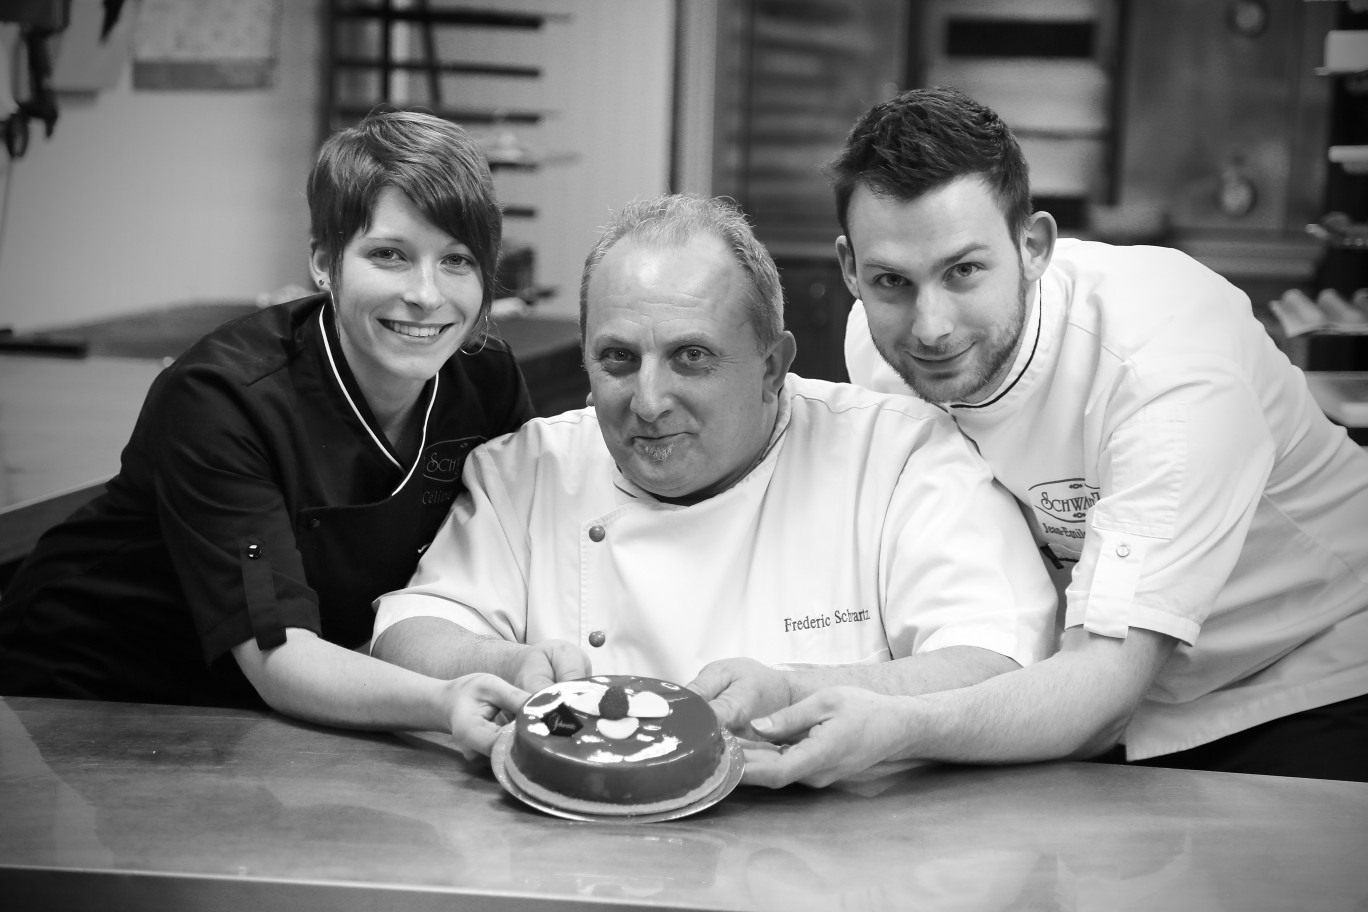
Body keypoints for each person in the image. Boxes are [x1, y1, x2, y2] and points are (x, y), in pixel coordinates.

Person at [739, 86, 1368, 786]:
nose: (930, 327)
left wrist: (901, 725)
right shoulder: (878, 351)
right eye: (892, 281)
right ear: (851, 269)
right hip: (1090, 690)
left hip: (1305, 673)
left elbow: (1102, 687)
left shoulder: (1166, 374)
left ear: (1033, 246)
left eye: (964, 271)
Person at [370, 193, 1058, 726]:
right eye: (617, 359)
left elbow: (994, 662)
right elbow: (409, 633)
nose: (647, 401)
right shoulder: (527, 471)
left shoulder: (900, 457)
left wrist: (797, 692)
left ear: (772, 367)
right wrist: (501, 664)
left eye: (690, 358)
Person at [0, 110, 534, 755]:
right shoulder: (224, 400)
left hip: (292, 696)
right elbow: (279, 653)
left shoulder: (484, 380)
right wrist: (442, 700)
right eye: (389, 255)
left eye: (457, 260)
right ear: (323, 263)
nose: (427, 295)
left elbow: (520, 553)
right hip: (90, 688)